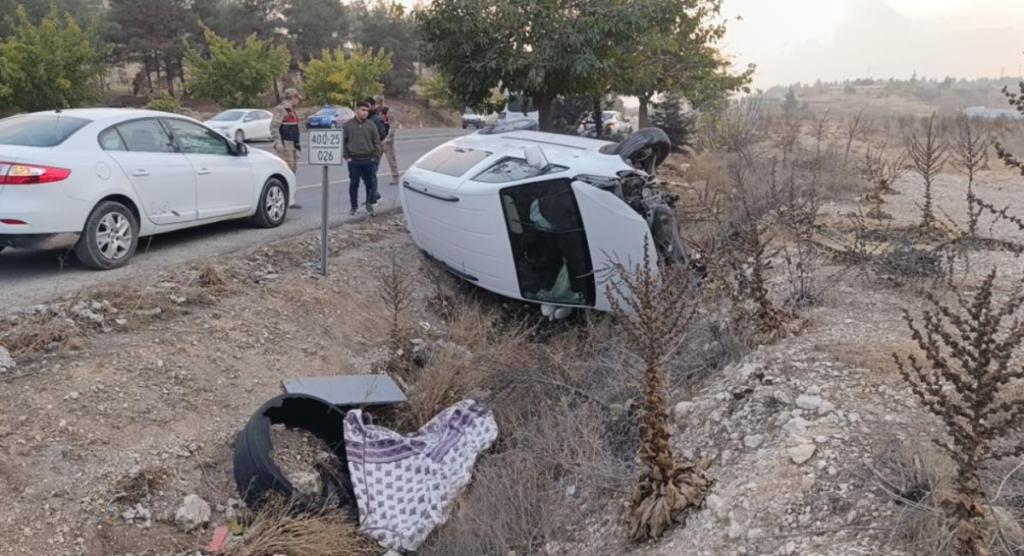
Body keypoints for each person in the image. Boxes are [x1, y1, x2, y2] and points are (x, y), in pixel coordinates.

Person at [343, 100, 382, 216]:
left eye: (367, 111)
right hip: (354, 160)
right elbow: (343, 142)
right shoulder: (348, 125)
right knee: (354, 184)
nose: (365, 113)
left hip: (369, 160)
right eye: (363, 110)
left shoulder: (371, 125)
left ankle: (369, 205)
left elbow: (377, 142)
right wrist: (347, 157)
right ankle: (354, 207)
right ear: (356, 110)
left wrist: (375, 157)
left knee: (370, 184)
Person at [271, 88, 303, 209]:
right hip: (285, 145)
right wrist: (278, 142)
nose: (298, 101)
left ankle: (290, 199)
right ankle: (284, 199)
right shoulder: (281, 109)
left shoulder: (292, 110)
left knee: (292, 172)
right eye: (297, 98)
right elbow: (274, 127)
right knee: (286, 172)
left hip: (293, 144)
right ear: (293, 97)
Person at [379, 102, 400, 185]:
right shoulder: (375, 112)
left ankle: (395, 176)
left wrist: (387, 139)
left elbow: (393, 127)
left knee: (391, 159)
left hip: (387, 140)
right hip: (378, 139)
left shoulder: (388, 112)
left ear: (380, 104)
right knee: (375, 159)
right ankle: (370, 175)